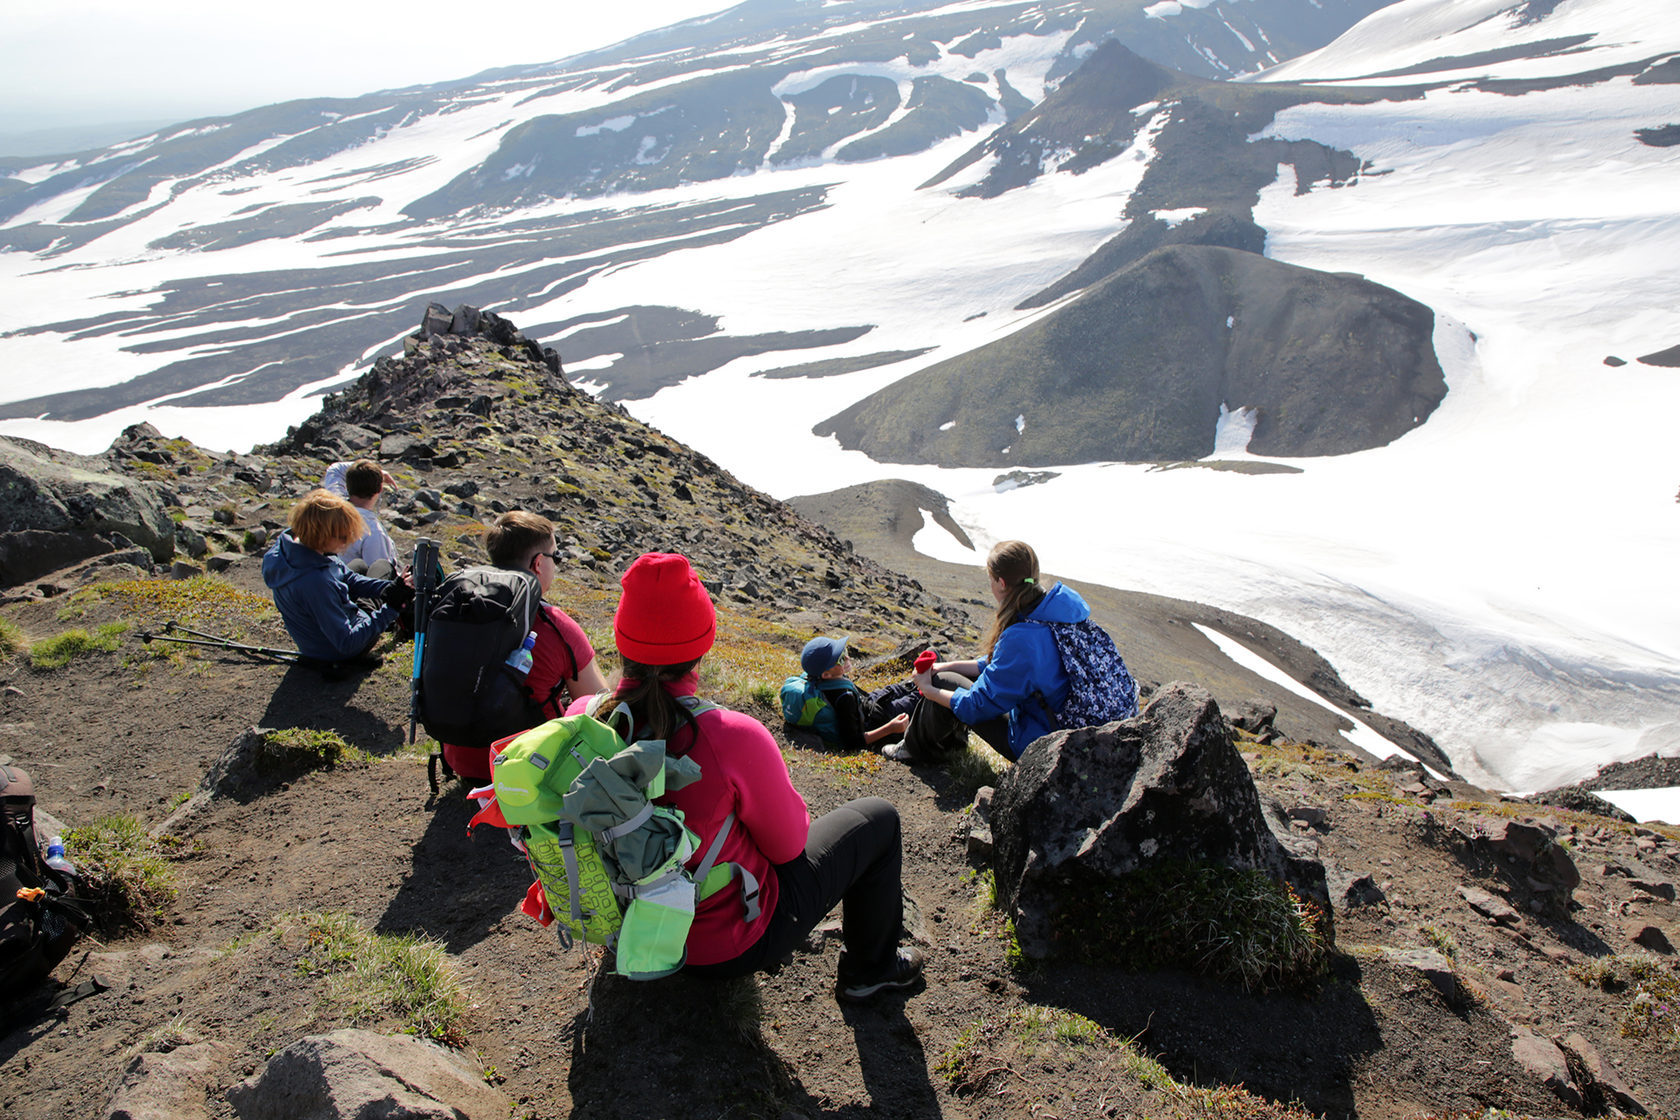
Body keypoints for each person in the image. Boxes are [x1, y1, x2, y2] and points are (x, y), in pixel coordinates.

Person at [570, 552, 924, 1000]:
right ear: (703, 641)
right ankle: (870, 972)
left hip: (621, 927)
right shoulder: (731, 736)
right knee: (880, 820)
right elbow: (789, 845)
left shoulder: (580, 721)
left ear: (622, 640)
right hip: (719, 949)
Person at [439, 511, 610, 783]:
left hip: (463, 760)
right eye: (557, 556)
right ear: (538, 563)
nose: (557, 564)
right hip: (527, 770)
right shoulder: (556, 626)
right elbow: (600, 707)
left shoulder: (462, 609)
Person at [911, 539, 1086, 762]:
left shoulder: (1023, 637)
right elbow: (1006, 663)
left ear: (1001, 583)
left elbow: (975, 705)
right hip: (1082, 738)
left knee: (945, 681)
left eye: (991, 580)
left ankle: (915, 749)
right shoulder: (1057, 612)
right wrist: (948, 664)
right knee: (950, 673)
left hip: (1046, 750)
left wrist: (929, 689)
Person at [261, 489, 411, 663]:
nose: (347, 541)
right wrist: (391, 608)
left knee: (359, 566)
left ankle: (391, 595)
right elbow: (347, 643)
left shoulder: (293, 546)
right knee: (382, 566)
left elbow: (347, 577)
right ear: (322, 535)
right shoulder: (315, 583)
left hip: (320, 637)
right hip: (340, 651)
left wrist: (390, 588)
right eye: (342, 537)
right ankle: (401, 619)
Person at [794, 635, 913, 753]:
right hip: (877, 718)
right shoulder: (844, 698)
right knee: (915, 699)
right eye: (841, 659)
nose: (847, 657)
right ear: (826, 675)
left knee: (907, 687)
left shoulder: (819, 679)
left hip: (868, 703)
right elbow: (852, 742)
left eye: (844, 651)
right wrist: (891, 728)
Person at [321, 459, 396, 575]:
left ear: (347, 485)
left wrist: (378, 472)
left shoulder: (332, 506)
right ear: (380, 489)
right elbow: (378, 576)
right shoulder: (373, 532)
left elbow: (335, 469)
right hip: (351, 588)